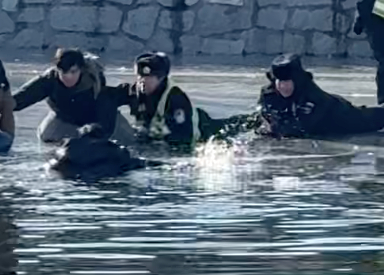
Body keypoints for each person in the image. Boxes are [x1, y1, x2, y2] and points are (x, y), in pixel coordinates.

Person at [257, 54, 384, 138]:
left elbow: (304, 128)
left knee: (375, 118)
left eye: (287, 82)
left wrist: (275, 130)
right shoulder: (269, 93)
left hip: (340, 115)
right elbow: (263, 116)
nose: (282, 86)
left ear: (296, 80)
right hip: (323, 127)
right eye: (279, 81)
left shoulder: (313, 96)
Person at [109, 52, 237, 148]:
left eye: (148, 77)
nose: (142, 81)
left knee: (233, 127)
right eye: (140, 76)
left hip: (202, 129)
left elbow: (183, 139)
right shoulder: (134, 91)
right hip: (160, 134)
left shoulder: (176, 99)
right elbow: (107, 97)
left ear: (160, 79)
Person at [13, 48, 134, 144]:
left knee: (128, 140)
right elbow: (24, 96)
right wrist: (3, 106)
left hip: (98, 117)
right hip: (65, 117)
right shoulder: (50, 80)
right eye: (63, 72)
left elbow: (107, 109)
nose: (68, 77)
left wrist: (98, 135)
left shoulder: (94, 81)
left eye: (73, 72)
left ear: (81, 69)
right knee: (46, 136)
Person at [46, 124, 163, 182]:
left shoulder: (68, 150)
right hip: (108, 176)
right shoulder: (115, 151)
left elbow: (53, 164)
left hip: (76, 178)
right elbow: (141, 163)